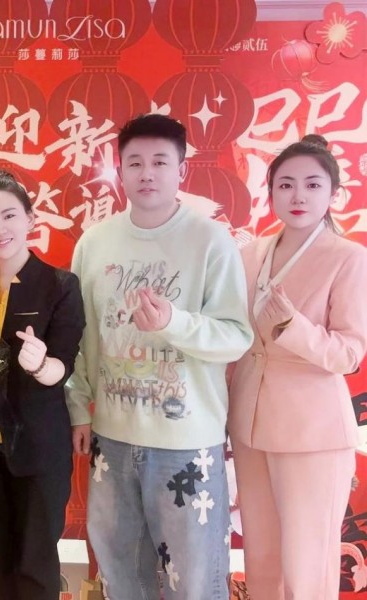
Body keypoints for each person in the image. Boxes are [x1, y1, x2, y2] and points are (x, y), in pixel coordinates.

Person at [67, 114, 253, 599]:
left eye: (160, 162)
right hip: (112, 438)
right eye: (135, 163)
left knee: (193, 583)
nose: (147, 173)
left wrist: (173, 321)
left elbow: (236, 337)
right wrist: (77, 406)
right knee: (121, 574)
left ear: (181, 170)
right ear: (120, 171)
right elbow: (78, 335)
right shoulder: (94, 243)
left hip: (187, 444)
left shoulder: (211, 241)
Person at [228, 134, 367, 599]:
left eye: (312, 184)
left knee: (307, 565)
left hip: (313, 432)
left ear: (333, 194)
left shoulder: (349, 258)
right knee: (261, 557)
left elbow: (349, 353)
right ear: (271, 193)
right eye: (285, 185)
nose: (298, 195)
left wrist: (294, 326)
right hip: (249, 423)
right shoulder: (250, 254)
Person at [0, 170, 85, 599]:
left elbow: (63, 366)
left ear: (30, 218)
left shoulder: (60, 285)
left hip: (38, 447)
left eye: (9, 215)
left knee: (35, 565)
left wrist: (40, 364)